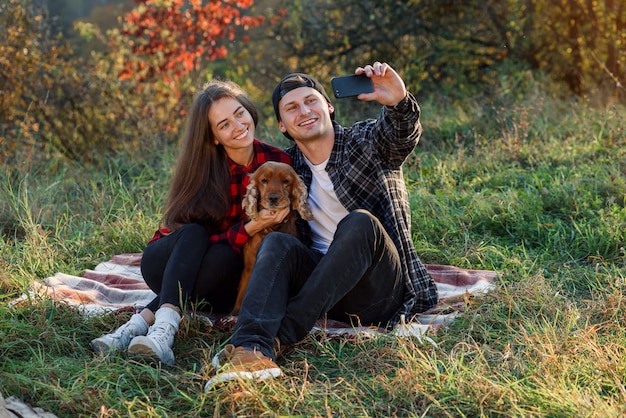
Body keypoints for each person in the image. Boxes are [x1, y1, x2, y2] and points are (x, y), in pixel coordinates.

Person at [205, 62, 439, 389]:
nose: (304, 111)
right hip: (322, 290)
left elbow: (400, 133)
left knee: (359, 223)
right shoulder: (289, 168)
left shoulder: (365, 141)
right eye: (292, 108)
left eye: (311, 101)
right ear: (283, 126)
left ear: (328, 106)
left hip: (377, 290)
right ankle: (250, 347)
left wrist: (397, 101)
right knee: (276, 242)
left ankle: (282, 335)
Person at [91, 79, 292, 365]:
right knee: (196, 234)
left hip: (219, 277)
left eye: (239, 113)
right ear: (213, 137)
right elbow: (186, 234)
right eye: (223, 125)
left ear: (249, 110)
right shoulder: (204, 169)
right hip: (170, 262)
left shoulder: (277, 161)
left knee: (224, 258)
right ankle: (162, 333)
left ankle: (138, 326)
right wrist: (250, 227)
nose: (237, 126)